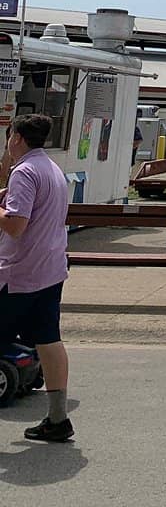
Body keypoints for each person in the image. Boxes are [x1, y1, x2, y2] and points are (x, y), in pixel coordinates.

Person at [0, 114, 73, 442]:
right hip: (50, 268)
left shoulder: (25, 171)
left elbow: (16, 225)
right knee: (48, 339)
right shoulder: (51, 168)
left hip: (19, 273)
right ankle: (58, 419)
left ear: (17, 138)